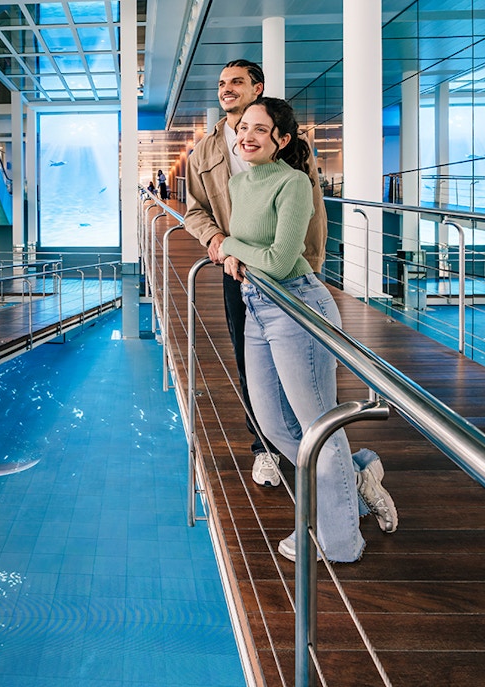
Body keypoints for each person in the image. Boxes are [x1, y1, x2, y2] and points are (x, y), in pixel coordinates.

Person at [217, 97, 396, 563]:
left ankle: (339, 541)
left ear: (282, 139)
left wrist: (229, 245)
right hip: (256, 305)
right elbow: (252, 253)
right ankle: (354, 477)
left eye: (260, 129)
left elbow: (278, 260)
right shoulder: (239, 183)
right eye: (243, 128)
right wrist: (233, 250)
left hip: (297, 304)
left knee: (320, 427)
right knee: (274, 424)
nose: (247, 136)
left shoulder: (294, 183)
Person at [184, 59, 327, 489]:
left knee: (305, 369)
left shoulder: (285, 141)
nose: (226, 89)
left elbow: (312, 206)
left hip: (289, 272)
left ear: (256, 88)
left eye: (237, 82)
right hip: (239, 273)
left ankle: (324, 456)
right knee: (253, 366)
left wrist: (314, 262)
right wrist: (215, 242)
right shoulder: (206, 152)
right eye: (222, 82)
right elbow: (195, 210)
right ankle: (265, 447)